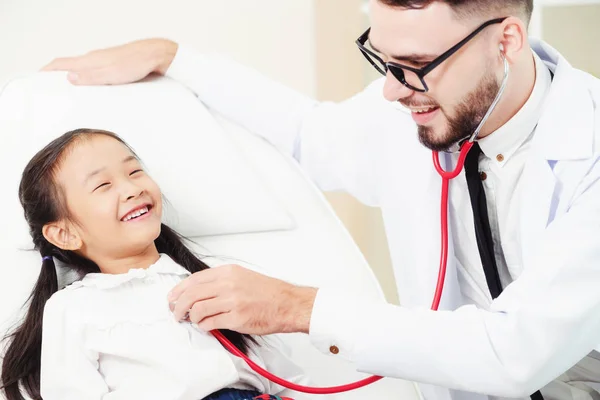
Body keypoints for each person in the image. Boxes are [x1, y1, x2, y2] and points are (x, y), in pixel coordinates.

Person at [40, 0, 600, 399]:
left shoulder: (590, 156)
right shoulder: (410, 106)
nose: (391, 90)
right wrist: (174, 57)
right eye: (381, 58)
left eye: (417, 67)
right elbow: (309, 132)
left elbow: (514, 353)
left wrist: (297, 308)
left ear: (506, 40)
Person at [0, 129, 309, 400]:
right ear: (65, 233)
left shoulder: (214, 279)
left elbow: (289, 380)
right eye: (103, 185)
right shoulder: (71, 309)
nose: (133, 189)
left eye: (134, 172)